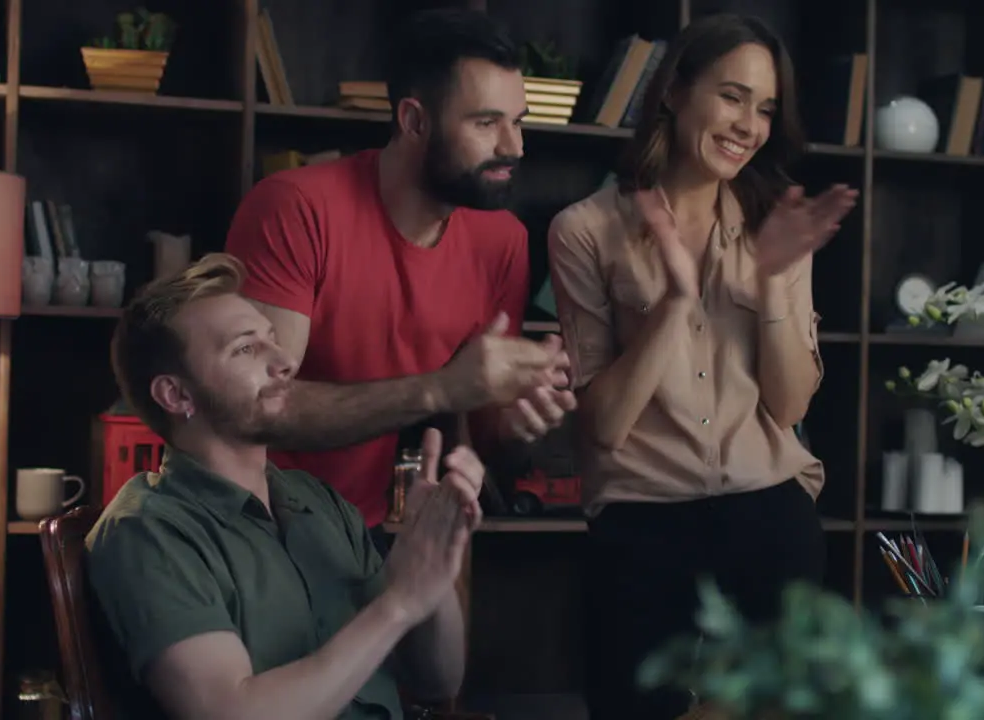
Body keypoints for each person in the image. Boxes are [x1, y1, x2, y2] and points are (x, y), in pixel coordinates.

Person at [546, 14, 859, 720]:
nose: (749, 124)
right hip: (643, 525)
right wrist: (675, 299)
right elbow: (603, 427)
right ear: (674, 92)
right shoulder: (584, 231)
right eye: (732, 96)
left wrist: (776, 282)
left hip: (769, 516)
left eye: (766, 107)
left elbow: (790, 407)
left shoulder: (776, 228)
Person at [224, 7, 577, 538]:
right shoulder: (294, 207)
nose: (515, 147)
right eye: (486, 123)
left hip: (409, 532)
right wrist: (439, 389)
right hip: (271, 532)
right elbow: (259, 406)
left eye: (518, 122)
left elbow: (475, 430)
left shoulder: (504, 239)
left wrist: (515, 417)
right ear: (413, 121)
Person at [88, 253, 486, 720]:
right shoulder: (147, 532)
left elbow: (437, 680)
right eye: (245, 349)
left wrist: (430, 572)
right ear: (176, 395)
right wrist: (398, 604)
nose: (284, 363)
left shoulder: (321, 502)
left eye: (272, 340)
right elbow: (231, 714)